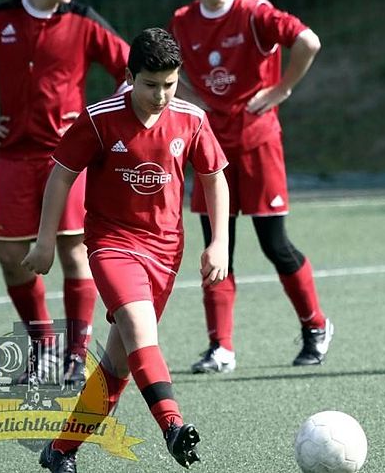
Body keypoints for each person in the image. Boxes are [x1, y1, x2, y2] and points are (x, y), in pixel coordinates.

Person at [24, 27, 229, 471]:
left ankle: (60, 450)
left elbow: (215, 178)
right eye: (150, 85)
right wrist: (44, 241)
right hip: (111, 243)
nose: (160, 95)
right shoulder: (100, 119)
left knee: (118, 364)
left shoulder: (191, 119)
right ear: (129, 77)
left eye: (169, 84)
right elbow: (61, 175)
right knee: (139, 327)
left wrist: (219, 243)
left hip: (166, 251)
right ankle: (173, 426)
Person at [0, 0, 130, 383]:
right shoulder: (1, 20)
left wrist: (103, 125)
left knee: (74, 251)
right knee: (11, 255)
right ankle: (44, 345)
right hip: (14, 156)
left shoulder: (84, 20)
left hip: (66, 158)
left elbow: (130, 70)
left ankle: (76, 355)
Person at [168, 0, 332, 374]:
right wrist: (192, 100)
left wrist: (282, 89)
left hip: (259, 143)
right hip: (211, 148)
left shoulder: (255, 11)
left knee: (274, 244)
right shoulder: (183, 21)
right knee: (217, 247)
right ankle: (221, 348)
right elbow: (171, 72)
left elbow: (308, 41)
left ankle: (316, 326)